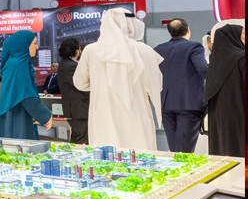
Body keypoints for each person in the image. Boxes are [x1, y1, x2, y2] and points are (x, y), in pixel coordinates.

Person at [74, 9, 161, 150]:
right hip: (138, 117)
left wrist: (100, 85)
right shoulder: (145, 50)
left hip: (104, 115)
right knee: (140, 156)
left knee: (107, 156)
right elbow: (156, 84)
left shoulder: (91, 50)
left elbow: (80, 83)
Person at [153, 19, 208, 153]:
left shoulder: (158, 49)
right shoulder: (194, 47)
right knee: (185, 151)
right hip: (188, 104)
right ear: (188, 29)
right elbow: (204, 70)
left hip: (165, 104)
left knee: (174, 149)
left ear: (169, 32)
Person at [0, 31, 51, 140]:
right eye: (35, 43)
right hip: (17, 115)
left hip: (15, 112)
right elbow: (26, 94)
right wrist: (45, 115)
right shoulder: (18, 65)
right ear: (24, 45)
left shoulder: (14, 63)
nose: (37, 47)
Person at [203, 23, 245, 157]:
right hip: (239, 112)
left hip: (218, 115)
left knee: (223, 148)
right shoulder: (242, 58)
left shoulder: (215, 63)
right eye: (243, 34)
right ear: (234, 37)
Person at [56, 38, 88, 144]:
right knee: (82, 140)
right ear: (76, 50)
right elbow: (81, 85)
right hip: (79, 110)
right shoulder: (70, 66)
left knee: (78, 138)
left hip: (76, 110)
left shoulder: (65, 64)